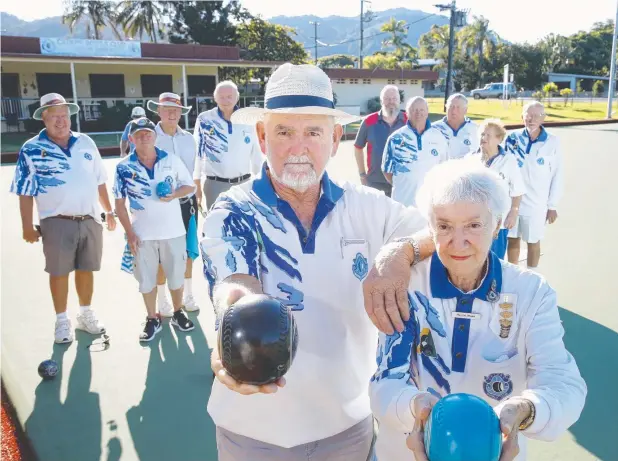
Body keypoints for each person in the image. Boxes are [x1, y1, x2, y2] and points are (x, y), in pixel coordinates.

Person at [200, 63, 436, 461]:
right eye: (284, 132)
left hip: (346, 428)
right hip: (251, 432)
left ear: (335, 139)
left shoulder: (368, 207)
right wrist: (236, 311)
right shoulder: (233, 209)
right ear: (261, 137)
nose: (298, 147)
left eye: (313, 132)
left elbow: (436, 232)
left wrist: (400, 253)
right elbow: (235, 283)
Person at [369, 160, 586, 461]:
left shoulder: (532, 292)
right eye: (444, 226)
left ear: (497, 224)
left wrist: (524, 409)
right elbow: (385, 382)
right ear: (429, 228)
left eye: (473, 225)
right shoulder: (406, 287)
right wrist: (415, 408)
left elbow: (563, 384)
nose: (458, 242)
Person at [10, 92, 116, 344]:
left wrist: (109, 210)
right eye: (54, 116)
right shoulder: (31, 149)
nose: (60, 121)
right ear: (43, 119)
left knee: (86, 268)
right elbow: (25, 191)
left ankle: (85, 314)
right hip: (55, 221)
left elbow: (99, 180)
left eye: (64, 115)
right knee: (58, 272)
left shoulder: (86, 142)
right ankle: (61, 321)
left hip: (90, 218)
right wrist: (27, 226)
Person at [113, 117, 197, 342]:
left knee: (176, 276)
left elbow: (190, 186)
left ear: (155, 136)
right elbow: (119, 205)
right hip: (142, 235)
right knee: (146, 280)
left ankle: (178, 312)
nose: (144, 137)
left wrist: (174, 195)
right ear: (131, 138)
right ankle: (152, 318)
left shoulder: (172, 160)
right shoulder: (123, 168)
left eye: (148, 133)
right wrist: (130, 233)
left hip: (174, 232)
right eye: (138, 134)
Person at [146, 92, 200, 315]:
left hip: (186, 203)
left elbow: (193, 172)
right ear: (158, 111)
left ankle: (188, 294)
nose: (171, 113)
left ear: (181, 113)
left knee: (188, 251)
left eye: (176, 109)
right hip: (159, 207)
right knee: (161, 254)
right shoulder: (148, 137)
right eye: (166, 109)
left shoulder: (189, 139)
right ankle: (162, 300)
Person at [504, 102, 563, 269]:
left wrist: (552, 205)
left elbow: (557, 174)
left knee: (533, 242)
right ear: (522, 116)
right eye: (528, 115)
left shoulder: (553, 142)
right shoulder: (512, 138)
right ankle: (513, 274)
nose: (532, 119)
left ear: (543, 118)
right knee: (512, 239)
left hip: (537, 203)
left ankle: (532, 276)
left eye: (537, 116)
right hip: (513, 201)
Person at [193, 80, 263, 211]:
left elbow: (256, 153)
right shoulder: (205, 119)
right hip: (214, 185)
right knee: (216, 227)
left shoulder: (248, 120)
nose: (226, 100)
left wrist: (261, 180)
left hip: (244, 184)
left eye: (229, 96)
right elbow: (197, 152)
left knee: (244, 227)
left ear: (237, 97)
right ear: (215, 98)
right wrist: (196, 181)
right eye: (221, 97)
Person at [466, 119, 526, 259]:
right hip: (473, 221)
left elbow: (517, 190)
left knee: (495, 260)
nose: (483, 138)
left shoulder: (509, 161)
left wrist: (514, 212)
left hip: (499, 222)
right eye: (482, 134)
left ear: (499, 139)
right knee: (474, 259)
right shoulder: (469, 159)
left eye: (488, 135)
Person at [382, 97, 449, 207]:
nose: (418, 113)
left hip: (431, 204)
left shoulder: (439, 137)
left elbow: (444, 168)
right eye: (414, 110)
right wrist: (404, 183)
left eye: (422, 110)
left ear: (427, 112)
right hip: (402, 203)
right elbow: (387, 170)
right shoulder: (395, 138)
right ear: (407, 113)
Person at [354, 85, 407, 197]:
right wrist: (362, 174)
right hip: (375, 183)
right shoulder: (369, 121)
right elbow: (358, 147)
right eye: (387, 98)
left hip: (403, 182)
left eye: (394, 99)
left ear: (399, 101)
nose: (391, 102)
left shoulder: (409, 121)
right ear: (381, 100)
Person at [432, 93, 479, 159]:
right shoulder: (434, 128)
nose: (454, 111)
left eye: (458, 107)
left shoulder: (476, 129)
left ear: (465, 110)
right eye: (451, 107)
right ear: (446, 107)